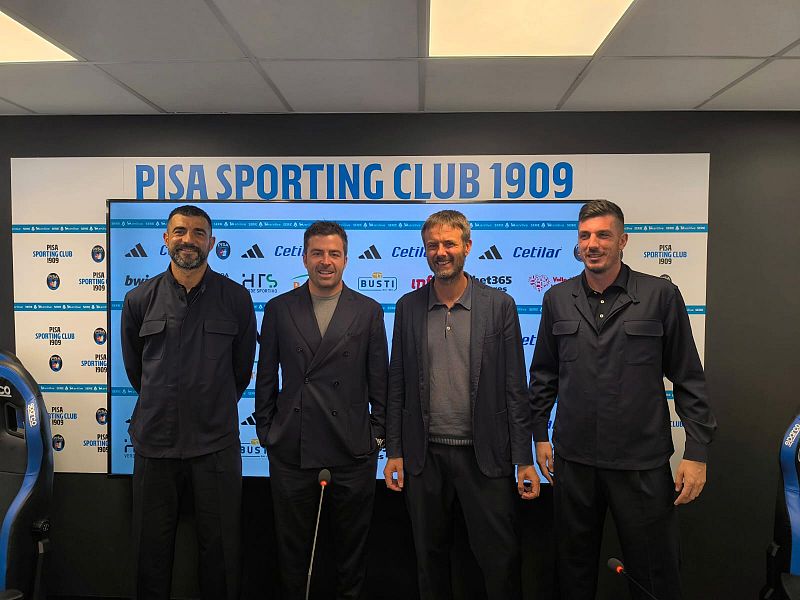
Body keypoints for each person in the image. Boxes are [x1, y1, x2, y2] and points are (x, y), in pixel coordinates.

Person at [529, 199, 717, 600]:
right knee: (571, 574)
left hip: (641, 463)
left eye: (603, 235)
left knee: (654, 575)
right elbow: (544, 373)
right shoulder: (557, 298)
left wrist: (697, 451)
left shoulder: (659, 295)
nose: (592, 244)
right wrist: (539, 434)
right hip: (575, 462)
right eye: (584, 236)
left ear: (623, 240)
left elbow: (688, 378)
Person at [383, 209, 538, 600]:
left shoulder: (499, 305)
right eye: (433, 245)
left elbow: (515, 386)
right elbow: (397, 382)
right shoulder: (407, 306)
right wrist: (394, 451)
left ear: (467, 246)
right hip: (424, 457)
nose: (441, 252)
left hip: (485, 457)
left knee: (499, 560)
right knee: (428, 560)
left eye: (449, 243)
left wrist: (524, 459)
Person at [120, 205, 257, 600]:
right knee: (150, 553)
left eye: (199, 233)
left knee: (221, 554)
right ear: (166, 239)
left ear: (211, 243)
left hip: (215, 445)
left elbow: (241, 371)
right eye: (180, 231)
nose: (188, 240)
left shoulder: (236, 298)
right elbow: (136, 371)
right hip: (155, 445)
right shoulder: (139, 299)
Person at [255, 221, 388, 600]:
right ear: (304, 258)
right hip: (292, 450)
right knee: (293, 552)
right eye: (317, 253)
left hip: (352, 451)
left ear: (345, 259)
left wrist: (377, 435)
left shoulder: (368, 311)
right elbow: (266, 377)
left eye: (333, 254)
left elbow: (380, 381)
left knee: (351, 552)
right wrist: (267, 432)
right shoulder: (279, 308)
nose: (325, 261)